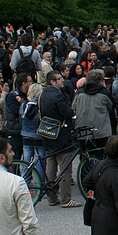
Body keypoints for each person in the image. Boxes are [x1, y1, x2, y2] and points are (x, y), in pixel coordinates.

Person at [40, 71, 80, 208]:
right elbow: (66, 112)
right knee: (65, 167)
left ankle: (52, 196)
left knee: (51, 165)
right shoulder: (58, 95)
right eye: (59, 79)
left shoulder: (43, 94)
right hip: (60, 134)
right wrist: (71, 113)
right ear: (53, 81)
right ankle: (66, 198)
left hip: (47, 133)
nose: (62, 81)